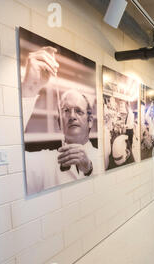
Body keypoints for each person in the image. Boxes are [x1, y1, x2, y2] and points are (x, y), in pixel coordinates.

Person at [21, 46, 99, 195]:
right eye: (66, 110)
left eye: (78, 111)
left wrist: (88, 167)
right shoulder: (44, 162)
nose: (72, 116)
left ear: (90, 121)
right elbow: (11, 166)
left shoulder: (100, 156)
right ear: (58, 122)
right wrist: (29, 88)